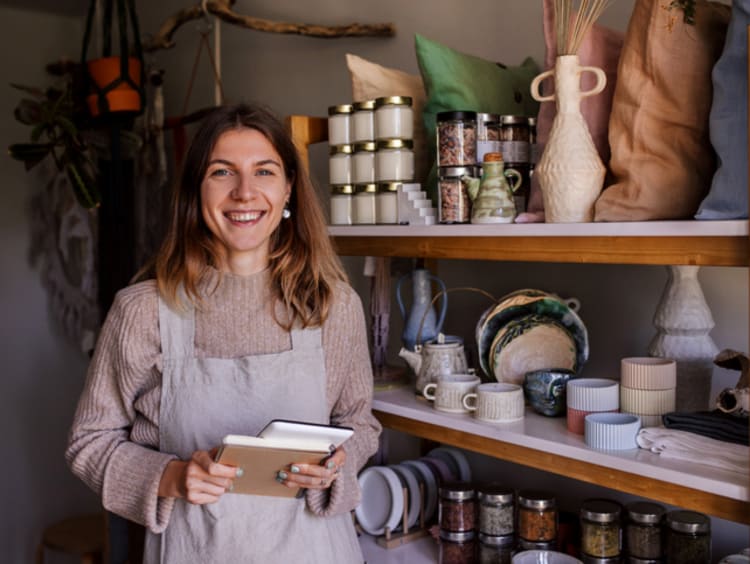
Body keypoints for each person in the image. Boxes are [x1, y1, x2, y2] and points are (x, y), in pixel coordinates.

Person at [66, 103, 381, 563]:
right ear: (196, 190)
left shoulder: (333, 306)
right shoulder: (142, 311)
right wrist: (171, 476)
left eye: (265, 172)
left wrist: (337, 465)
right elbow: (88, 442)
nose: (244, 192)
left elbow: (359, 423)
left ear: (289, 188)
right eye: (222, 172)